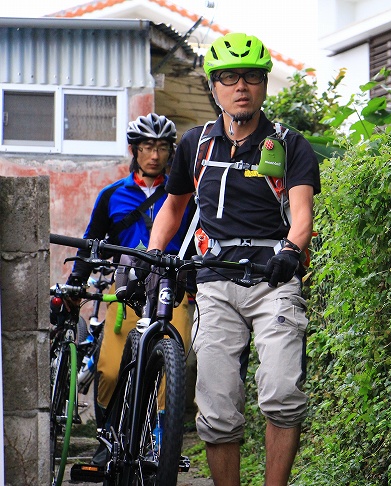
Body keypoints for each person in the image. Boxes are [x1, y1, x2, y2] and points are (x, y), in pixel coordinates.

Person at [145, 32, 320, 486]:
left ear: (263, 85)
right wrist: (152, 256)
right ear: (213, 86)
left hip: (273, 279)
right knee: (218, 405)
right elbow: (173, 207)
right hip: (215, 282)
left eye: (251, 77)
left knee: (282, 392)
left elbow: (302, 217)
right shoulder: (194, 144)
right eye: (228, 77)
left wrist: (291, 252)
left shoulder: (289, 144)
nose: (240, 86)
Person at [66, 113, 193, 464]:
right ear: (135, 150)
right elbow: (92, 242)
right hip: (126, 292)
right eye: (148, 147)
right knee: (107, 369)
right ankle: (108, 440)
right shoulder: (112, 195)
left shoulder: (184, 194)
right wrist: (77, 281)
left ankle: (164, 447)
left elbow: (197, 241)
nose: (155, 154)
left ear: (171, 152)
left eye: (163, 147)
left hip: (172, 288)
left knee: (175, 365)